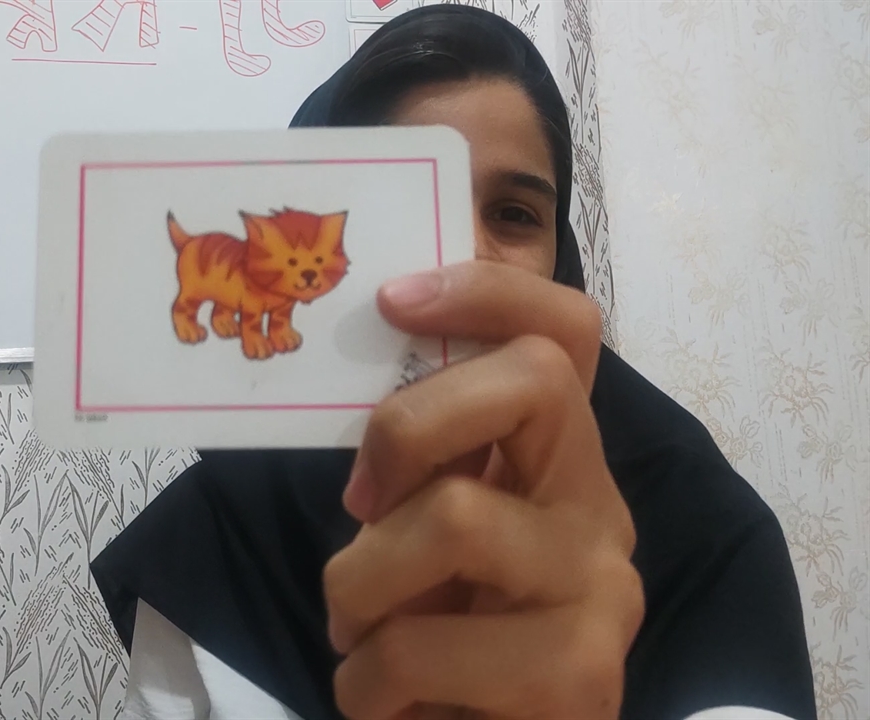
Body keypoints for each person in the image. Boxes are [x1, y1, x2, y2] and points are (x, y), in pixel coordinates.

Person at [91, 6, 817, 720]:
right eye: (402, 206)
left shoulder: (705, 531)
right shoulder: (225, 531)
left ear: (558, 257)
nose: (464, 254)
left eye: (513, 214)